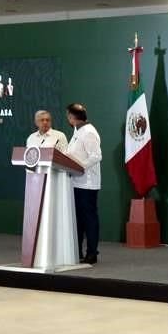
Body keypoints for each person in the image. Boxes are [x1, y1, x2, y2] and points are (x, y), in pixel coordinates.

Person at [65, 103, 102, 264]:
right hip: (75, 182)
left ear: (72, 117)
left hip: (87, 184)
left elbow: (96, 156)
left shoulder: (89, 132)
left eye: (68, 116)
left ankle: (92, 253)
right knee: (78, 220)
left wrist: (79, 167)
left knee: (89, 219)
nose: (68, 118)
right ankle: (77, 252)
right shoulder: (77, 131)